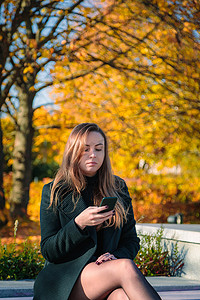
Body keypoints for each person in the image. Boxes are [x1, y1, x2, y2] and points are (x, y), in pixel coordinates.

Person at [34, 123, 161, 300]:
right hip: (66, 281)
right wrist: (78, 224)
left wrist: (115, 256)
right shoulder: (55, 190)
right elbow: (49, 250)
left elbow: (131, 241)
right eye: (85, 149)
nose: (93, 154)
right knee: (125, 267)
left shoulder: (118, 187)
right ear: (73, 151)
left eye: (99, 148)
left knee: (122, 297)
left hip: (107, 275)